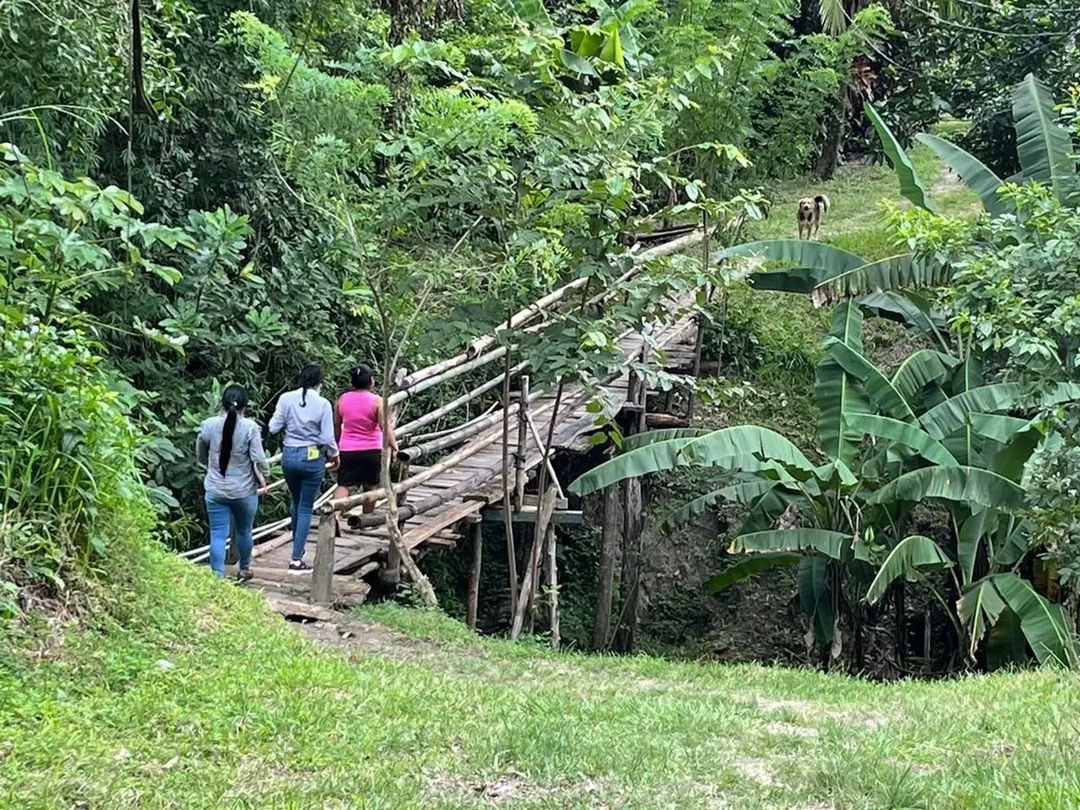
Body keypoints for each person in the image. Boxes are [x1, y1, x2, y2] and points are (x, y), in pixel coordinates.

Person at [269, 363, 339, 572]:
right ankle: (296, 558)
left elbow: (273, 427)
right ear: (320, 383)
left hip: (289, 455)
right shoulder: (323, 404)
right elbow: (327, 437)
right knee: (306, 506)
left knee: (296, 501)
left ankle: (297, 548)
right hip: (312, 458)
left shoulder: (286, 398)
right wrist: (335, 454)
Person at [196, 385, 270, 581]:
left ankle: (217, 576)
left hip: (215, 489)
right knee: (245, 531)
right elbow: (259, 458)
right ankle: (244, 568)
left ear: (222, 403)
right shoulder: (250, 428)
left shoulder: (208, 425)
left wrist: (208, 467)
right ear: (245, 406)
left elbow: (200, 454)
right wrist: (265, 475)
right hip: (244, 491)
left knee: (217, 534)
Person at [333, 363, 399, 513]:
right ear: (371, 381)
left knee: (343, 485)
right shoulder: (377, 401)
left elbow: (337, 425)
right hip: (371, 450)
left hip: (347, 449)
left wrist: (337, 445)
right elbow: (385, 427)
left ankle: (333, 515)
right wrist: (394, 446)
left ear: (352, 382)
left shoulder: (342, 400)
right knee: (371, 486)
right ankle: (367, 517)